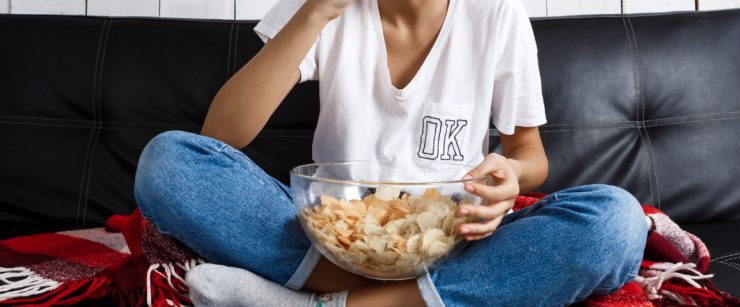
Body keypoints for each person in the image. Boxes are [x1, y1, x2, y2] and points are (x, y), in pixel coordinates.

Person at [133, 0, 650, 305]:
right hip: (332, 237)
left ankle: (315, 302)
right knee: (168, 163)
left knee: (616, 221)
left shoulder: (495, 12)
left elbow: (528, 153)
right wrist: (315, 12)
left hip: (454, 237)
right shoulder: (325, 10)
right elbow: (220, 134)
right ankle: (434, 297)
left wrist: (511, 175)